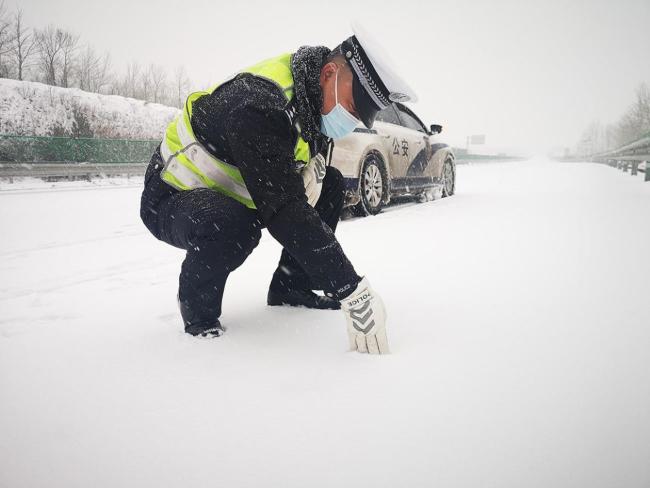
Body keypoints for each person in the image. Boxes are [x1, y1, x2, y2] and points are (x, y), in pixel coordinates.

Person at [140, 26, 417, 354]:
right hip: (174, 194)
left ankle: (291, 288)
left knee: (329, 185)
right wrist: (350, 289)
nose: (353, 120)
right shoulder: (260, 104)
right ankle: (199, 317)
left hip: (231, 193)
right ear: (329, 73)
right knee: (233, 226)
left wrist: (309, 175)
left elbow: (289, 185)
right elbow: (283, 211)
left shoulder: (312, 102)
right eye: (354, 108)